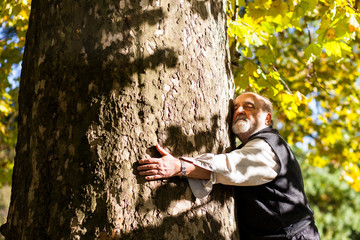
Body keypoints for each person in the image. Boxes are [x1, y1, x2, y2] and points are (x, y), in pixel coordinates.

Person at [137, 92, 320, 240]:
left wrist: (179, 166)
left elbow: (229, 167)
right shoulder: (253, 146)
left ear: (267, 119)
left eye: (249, 106)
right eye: (235, 108)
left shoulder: (269, 146)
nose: (239, 110)